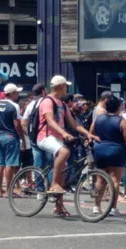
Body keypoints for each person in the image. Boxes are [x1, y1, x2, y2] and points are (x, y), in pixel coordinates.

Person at [35, 75, 98, 217]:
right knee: (64, 153)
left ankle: (59, 206)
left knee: (64, 171)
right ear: (59, 86)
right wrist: (64, 133)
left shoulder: (62, 104)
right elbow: (50, 121)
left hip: (57, 138)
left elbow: (73, 123)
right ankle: (54, 184)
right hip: (45, 137)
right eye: (65, 85)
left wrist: (88, 134)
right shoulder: (47, 101)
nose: (67, 88)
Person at [90, 95, 126, 217]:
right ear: (118, 107)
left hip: (100, 150)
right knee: (115, 180)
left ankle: (96, 206)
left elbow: (91, 133)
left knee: (100, 179)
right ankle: (113, 207)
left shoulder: (98, 119)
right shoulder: (122, 121)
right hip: (116, 150)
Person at [0, 83, 25, 198]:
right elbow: (17, 124)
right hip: (10, 136)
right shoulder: (14, 106)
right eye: (16, 92)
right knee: (10, 164)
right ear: (11, 93)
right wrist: (22, 138)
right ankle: (8, 190)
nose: (17, 95)